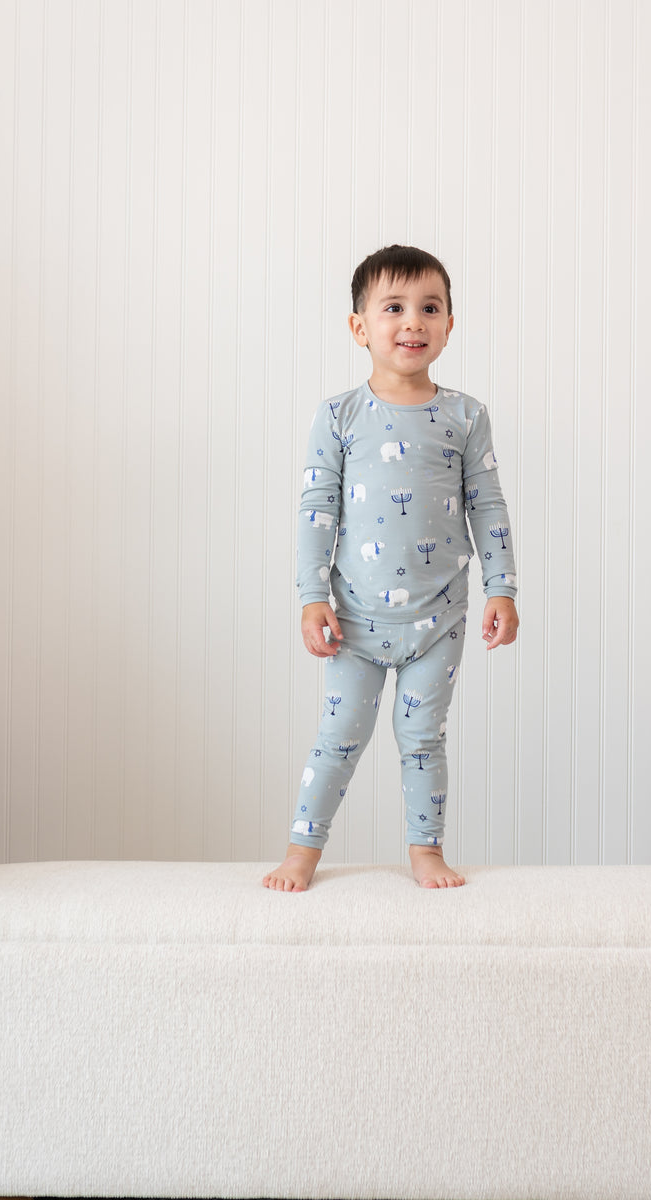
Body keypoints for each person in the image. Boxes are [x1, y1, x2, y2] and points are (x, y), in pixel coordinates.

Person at [262, 245, 519, 892]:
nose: (413, 322)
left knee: (422, 737)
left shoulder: (466, 417)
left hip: (440, 617)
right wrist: (310, 595)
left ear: (449, 325)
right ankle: (301, 852)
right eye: (394, 308)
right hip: (354, 617)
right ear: (360, 327)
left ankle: (425, 851)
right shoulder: (339, 417)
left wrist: (503, 587)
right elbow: (317, 506)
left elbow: (486, 504)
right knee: (338, 737)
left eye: (429, 308)